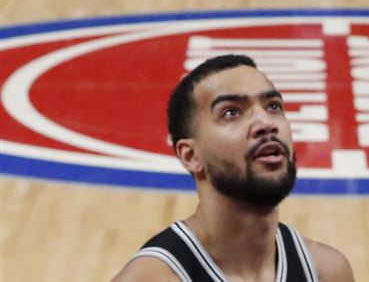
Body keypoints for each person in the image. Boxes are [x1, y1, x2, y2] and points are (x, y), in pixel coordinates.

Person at [110, 54, 354, 281]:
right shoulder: (153, 277)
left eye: (273, 106)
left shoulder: (327, 271)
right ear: (191, 155)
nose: (265, 123)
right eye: (231, 112)